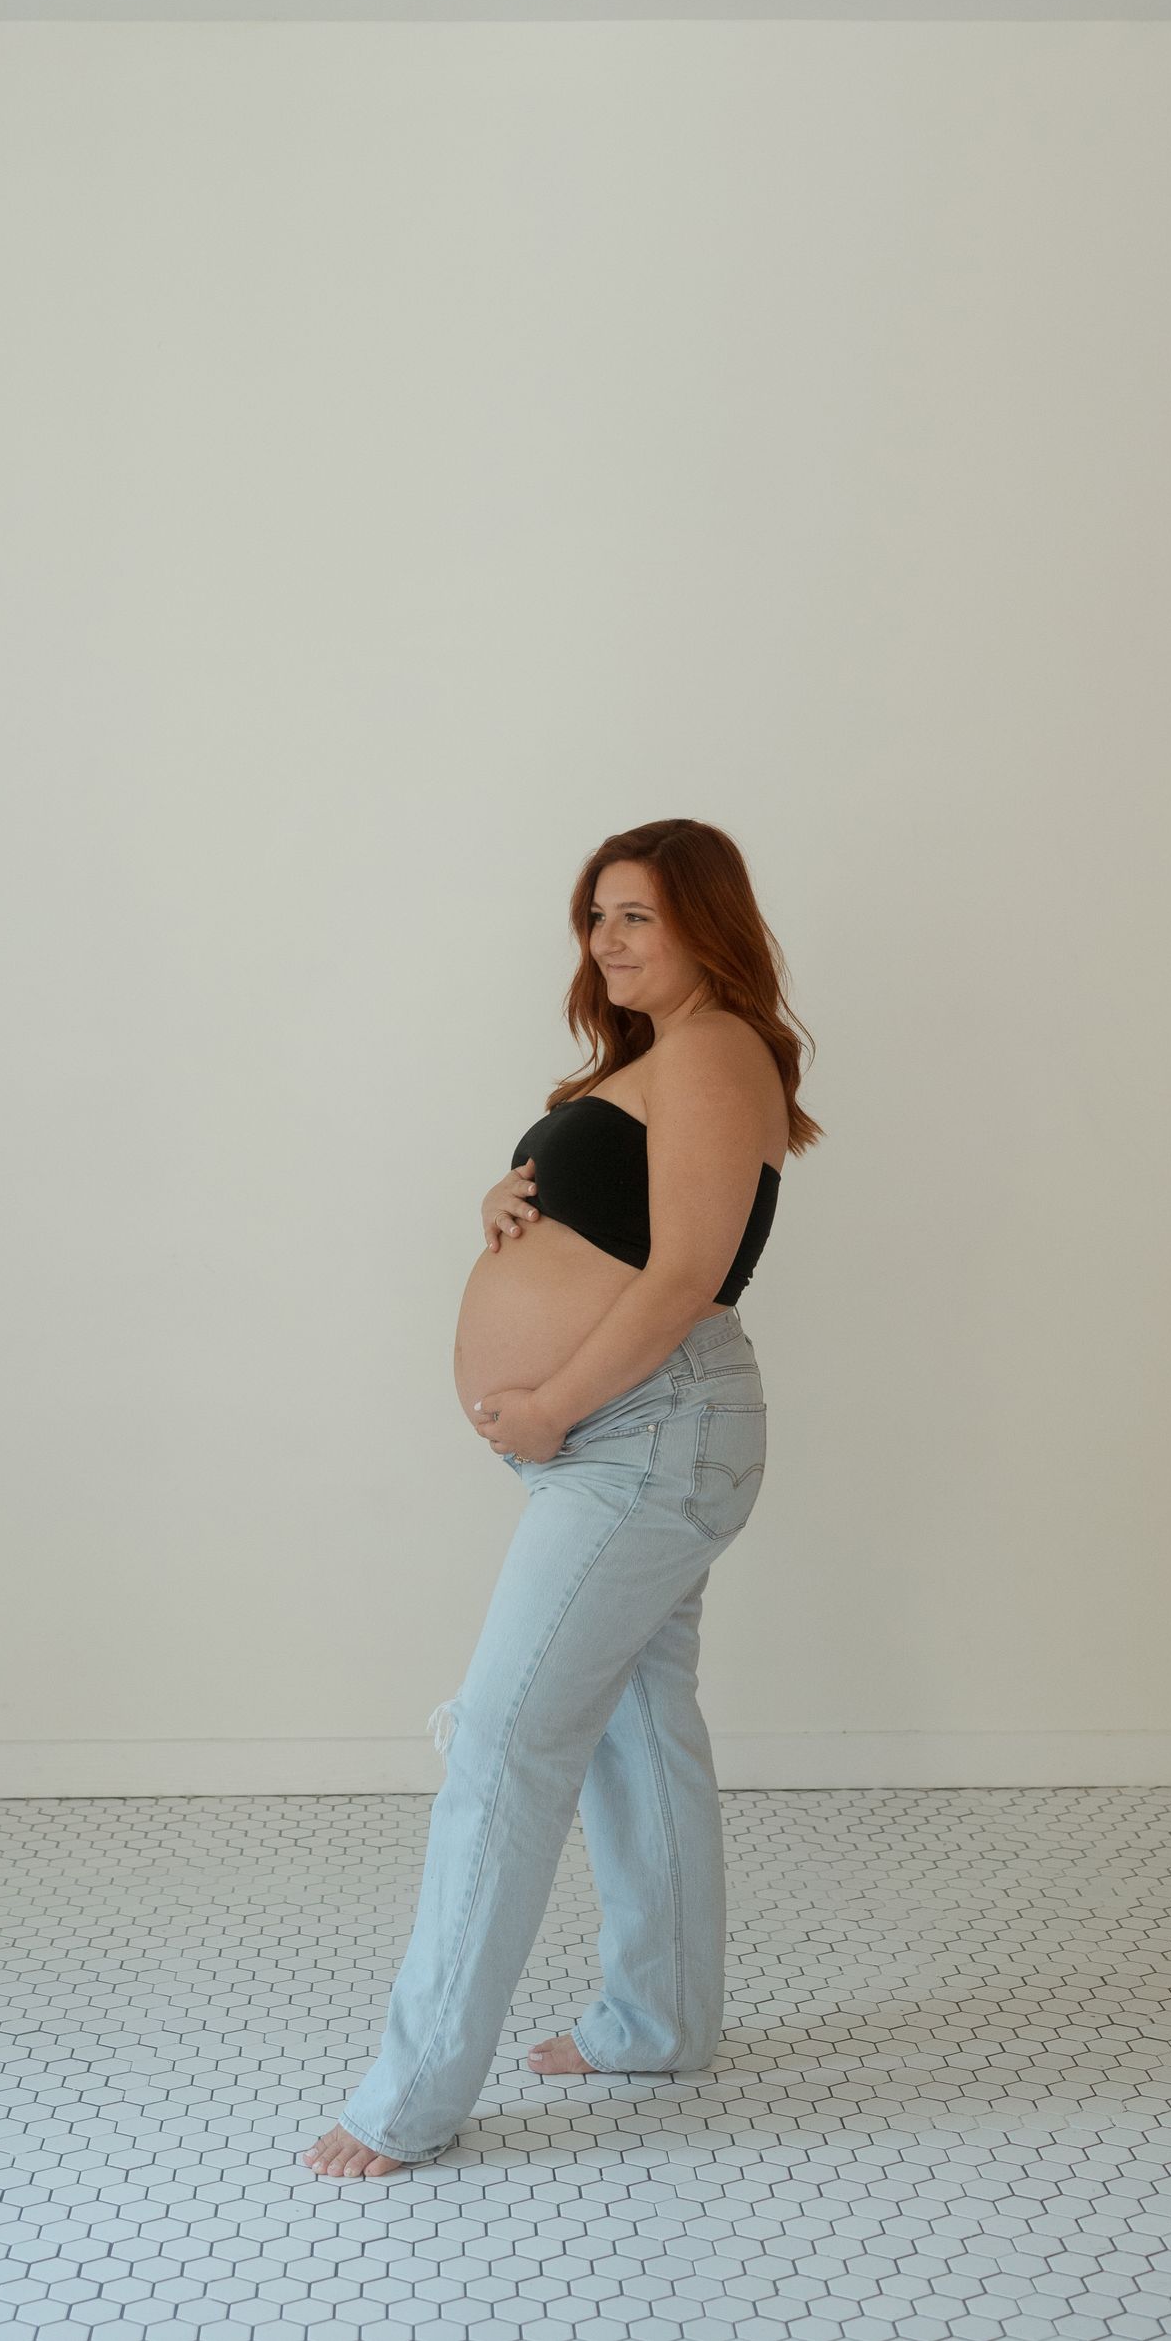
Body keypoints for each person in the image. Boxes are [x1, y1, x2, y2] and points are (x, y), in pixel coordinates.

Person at [303, 816, 822, 2178]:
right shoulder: (661, 1061)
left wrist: (550, 1402)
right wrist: (514, 1201)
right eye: (597, 917)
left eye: (638, 914)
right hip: (638, 1431)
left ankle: (405, 2102)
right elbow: (628, 1222)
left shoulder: (716, 1050)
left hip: (649, 1427)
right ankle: (657, 2020)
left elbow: (687, 1275)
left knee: (503, 1742)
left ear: (708, 921)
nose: (608, 940)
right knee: (634, 1724)